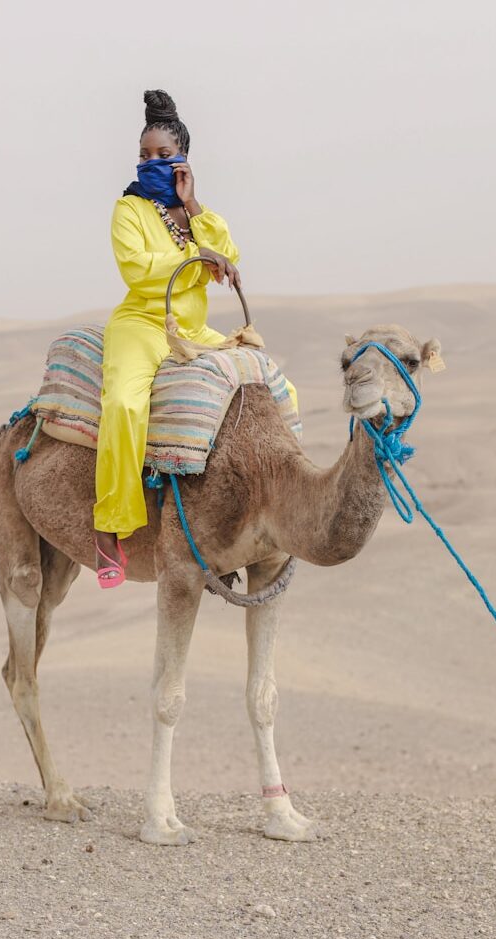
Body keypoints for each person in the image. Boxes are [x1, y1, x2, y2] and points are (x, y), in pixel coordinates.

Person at [93, 89, 296, 587]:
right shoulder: (128, 210)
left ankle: (262, 510)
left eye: (163, 156)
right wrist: (196, 260)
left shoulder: (194, 214)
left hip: (192, 330)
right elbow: (139, 271)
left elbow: (228, 253)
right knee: (123, 404)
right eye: (144, 156)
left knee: (281, 390)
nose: (151, 163)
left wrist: (194, 207)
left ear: (183, 162)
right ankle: (110, 528)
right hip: (142, 325)